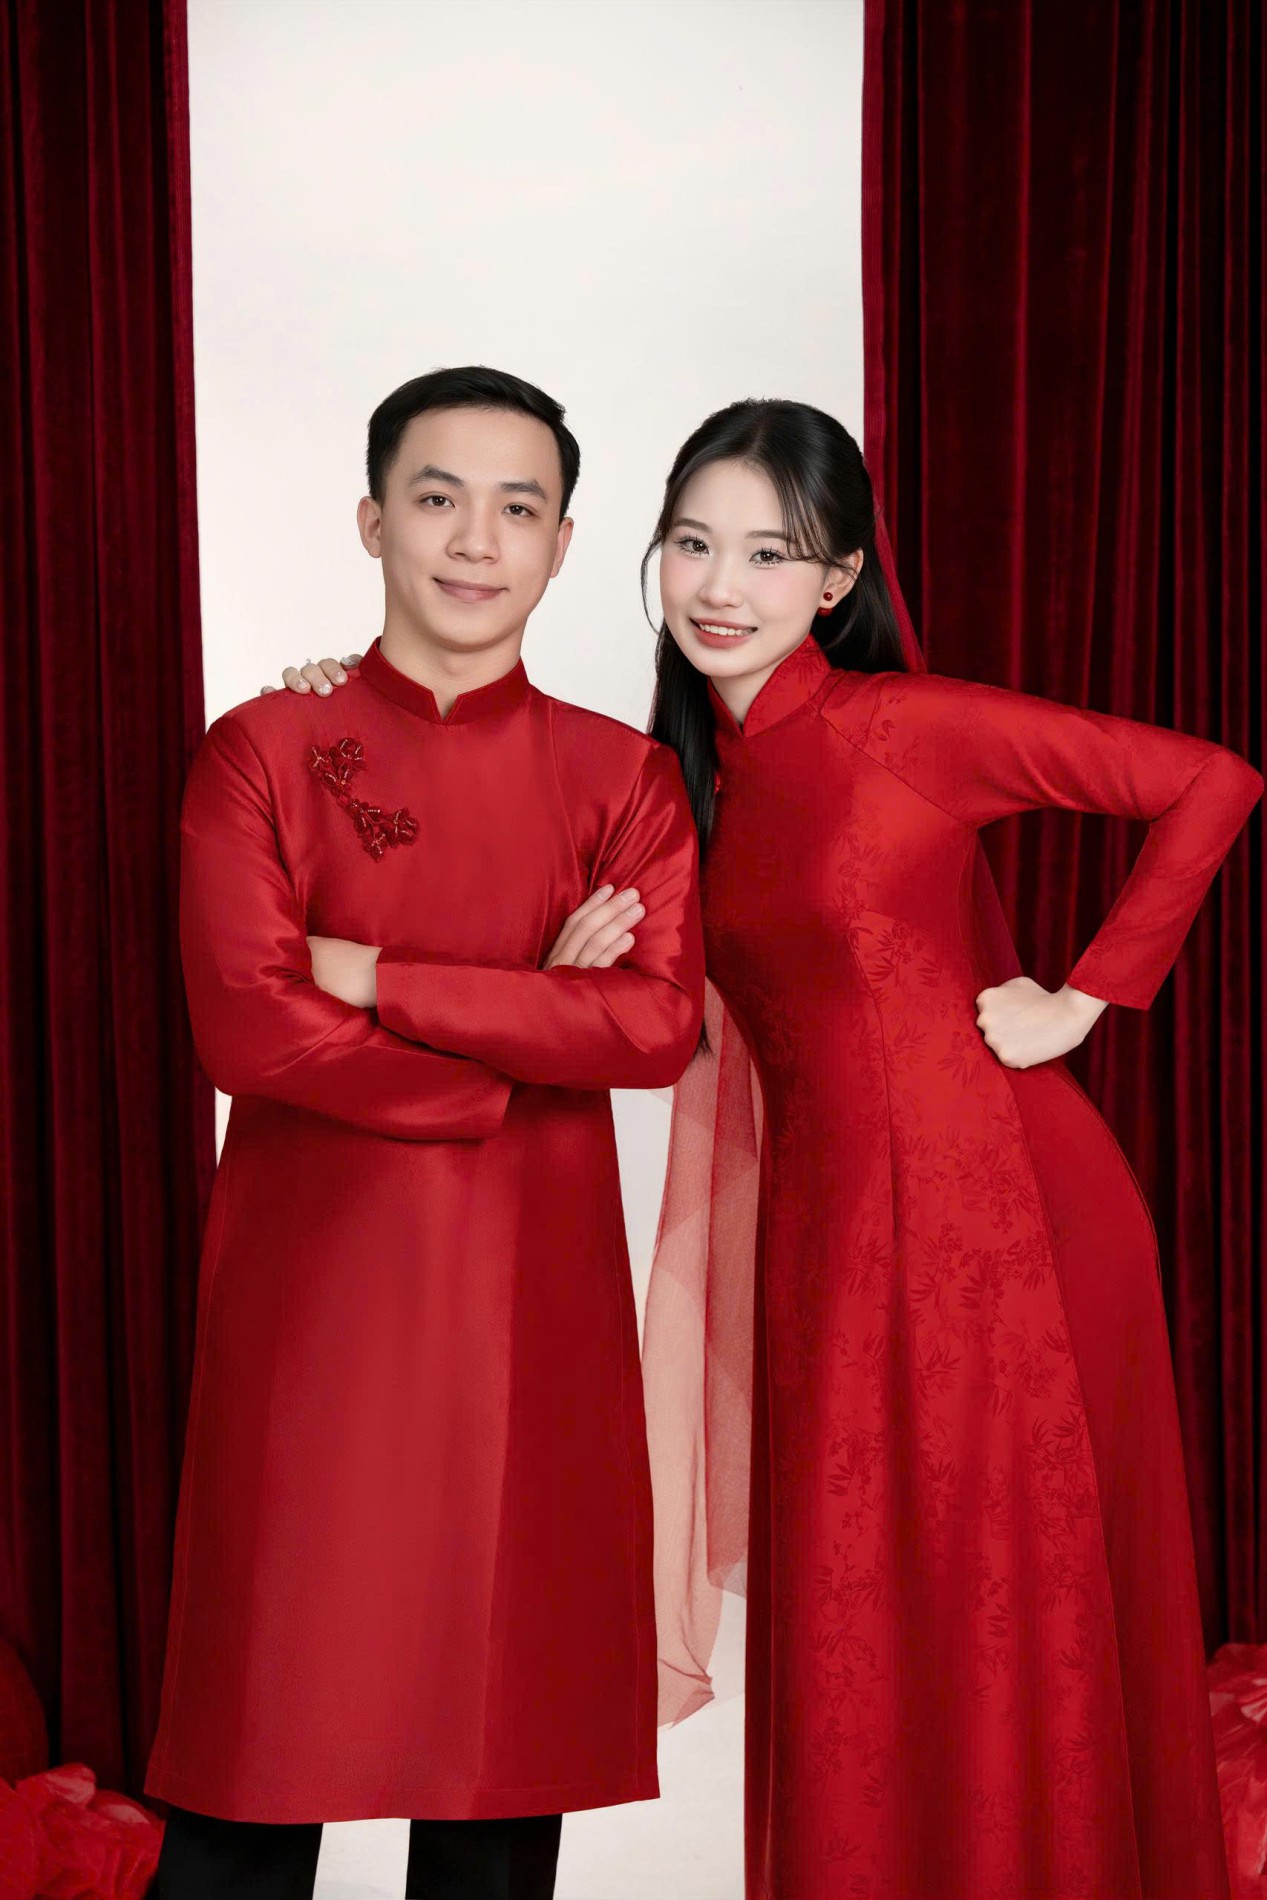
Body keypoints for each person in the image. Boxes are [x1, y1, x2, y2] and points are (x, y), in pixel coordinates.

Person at [284, 397, 1260, 1899]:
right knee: (863, 1622)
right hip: (828, 1246)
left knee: (999, 1611)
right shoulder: (681, 787)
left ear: (839, 577)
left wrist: (1084, 996)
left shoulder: (903, 728)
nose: (721, 588)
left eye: (770, 553)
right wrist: (338, 715)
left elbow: (1211, 779)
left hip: (1004, 1227)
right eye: (693, 545)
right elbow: (629, 1009)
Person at [148, 366, 704, 1900]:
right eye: (439, 498)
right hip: (314, 1322)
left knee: (495, 1779)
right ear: (372, 520)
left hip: (531, 1327)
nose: (477, 539)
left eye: (519, 508)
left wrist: (381, 979)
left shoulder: (624, 779)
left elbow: (654, 1029)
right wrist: (516, 1045)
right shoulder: (264, 751)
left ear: (565, 543)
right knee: (256, 1772)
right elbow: (249, 1030)